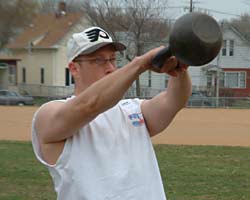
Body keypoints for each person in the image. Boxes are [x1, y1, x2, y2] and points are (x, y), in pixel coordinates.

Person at [31, 26, 192, 200]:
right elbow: (89, 105)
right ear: (74, 68)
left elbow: (174, 100)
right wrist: (140, 64)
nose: (110, 68)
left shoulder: (133, 110)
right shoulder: (48, 115)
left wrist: (180, 67)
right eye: (98, 61)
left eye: (112, 59)